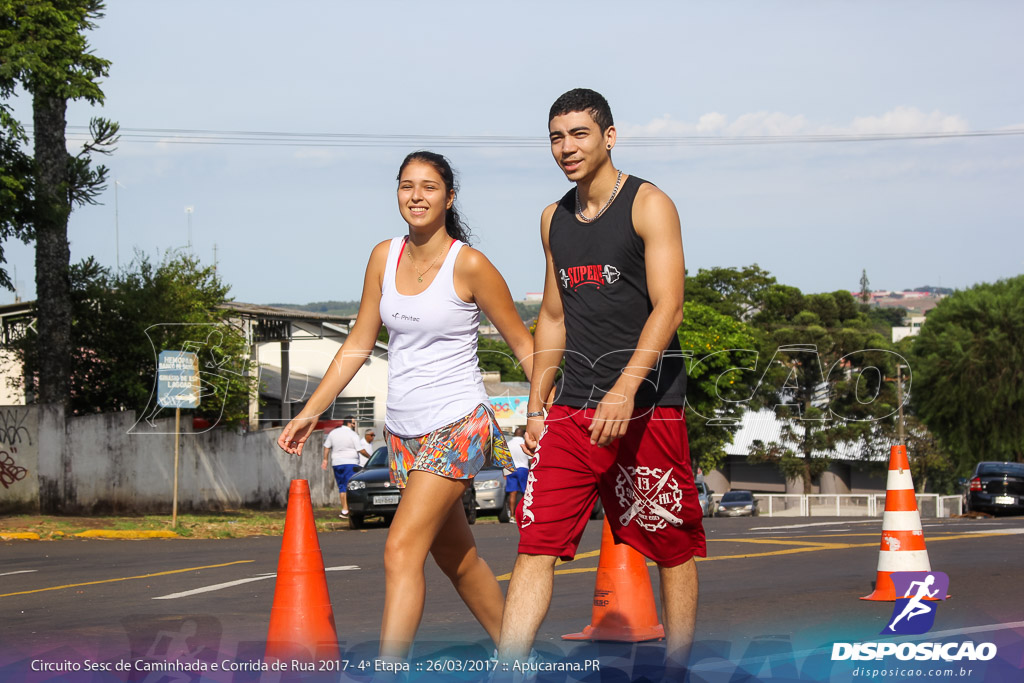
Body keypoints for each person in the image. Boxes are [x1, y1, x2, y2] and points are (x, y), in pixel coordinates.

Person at [278, 150, 534, 662]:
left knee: (400, 550)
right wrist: (311, 410)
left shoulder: (471, 265)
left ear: (449, 196)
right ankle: (520, 659)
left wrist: (542, 412)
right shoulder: (384, 255)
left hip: (458, 423)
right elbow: (358, 342)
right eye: (406, 186)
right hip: (403, 434)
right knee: (457, 559)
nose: (417, 196)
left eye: (429, 187)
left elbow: (525, 345)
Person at [497, 89, 706, 675]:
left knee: (670, 543)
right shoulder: (553, 219)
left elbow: (670, 308)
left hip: (648, 406)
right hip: (573, 410)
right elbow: (556, 317)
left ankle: (677, 667)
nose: (567, 147)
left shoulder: (649, 204)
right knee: (536, 545)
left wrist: (625, 388)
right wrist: (538, 402)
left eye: (579, 134)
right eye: (557, 137)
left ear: (609, 137)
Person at [322, 416, 362, 518]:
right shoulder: (353, 434)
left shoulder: (333, 433)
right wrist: (370, 457)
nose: (354, 425)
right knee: (351, 486)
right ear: (349, 423)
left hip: (337, 463)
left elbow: (327, 447)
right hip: (351, 463)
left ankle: (344, 510)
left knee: (342, 487)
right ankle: (350, 509)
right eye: (353, 423)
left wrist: (325, 459)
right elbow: (360, 449)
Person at [504, 426, 530, 523]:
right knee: (525, 492)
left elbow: (505, 459)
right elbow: (530, 458)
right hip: (523, 469)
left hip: (511, 469)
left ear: (514, 433)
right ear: (522, 434)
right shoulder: (524, 443)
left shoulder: (509, 444)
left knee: (512, 493)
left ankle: (512, 515)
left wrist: (505, 472)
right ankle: (525, 514)